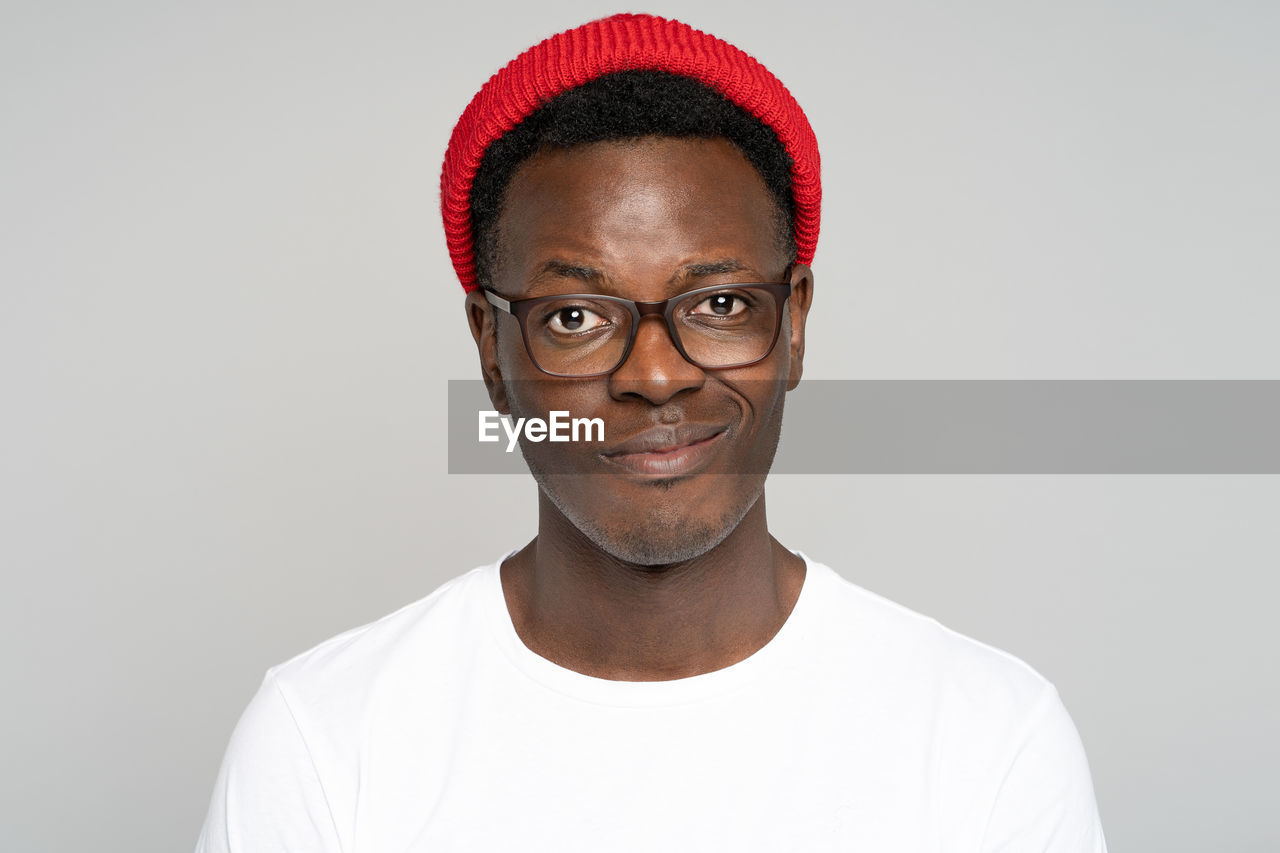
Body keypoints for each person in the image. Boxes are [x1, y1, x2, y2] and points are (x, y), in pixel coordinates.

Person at [197, 13, 1107, 851]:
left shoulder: (989, 739)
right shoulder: (324, 736)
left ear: (793, 325)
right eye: (574, 317)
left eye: (718, 303)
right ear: (489, 349)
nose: (656, 373)